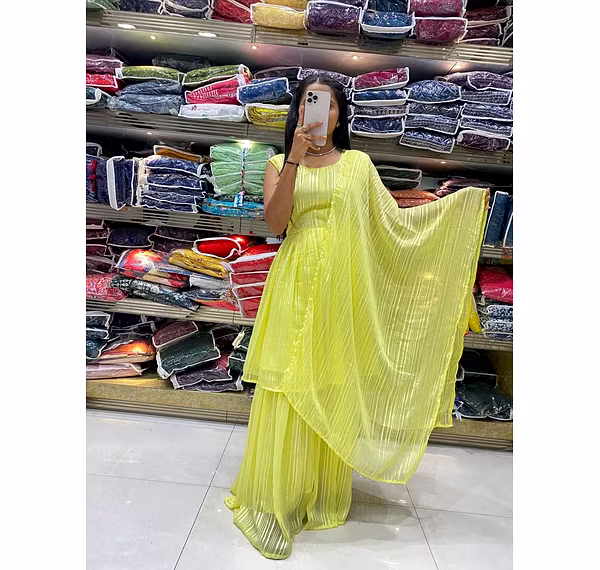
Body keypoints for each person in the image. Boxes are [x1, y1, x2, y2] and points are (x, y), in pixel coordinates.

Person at [226, 75, 489, 560]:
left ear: (339, 115)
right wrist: (294, 160)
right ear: (297, 112)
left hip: (343, 288)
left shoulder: (358, 164)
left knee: (327, 380)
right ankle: (276, 494)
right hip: (295, 280)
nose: (318, 111)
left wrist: (458, 209)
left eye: (327, 104)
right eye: (309, 102)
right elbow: (277, 223)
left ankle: (319, 493)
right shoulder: (277, 164)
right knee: (285, 382)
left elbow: (392, 223)